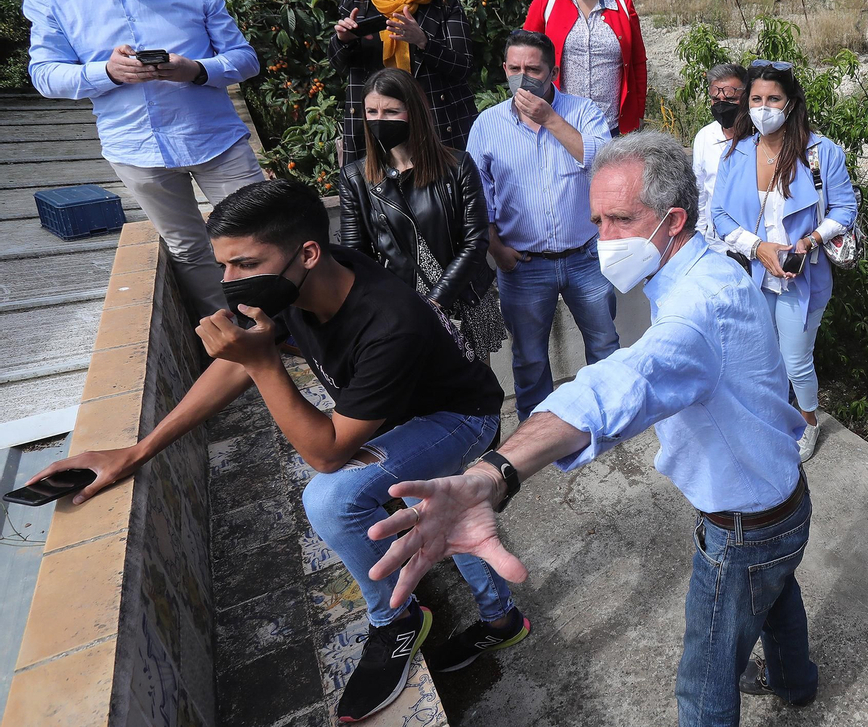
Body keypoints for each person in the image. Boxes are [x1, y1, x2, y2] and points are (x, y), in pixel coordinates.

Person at [26, 179, 529, 720]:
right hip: (397, 416)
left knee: (333, 499)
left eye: (245, 264)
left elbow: (326, 453)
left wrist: (263, 362)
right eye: (223, 265)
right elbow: (234, 365)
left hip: (457, 419)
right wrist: (136, 451)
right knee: (436, 516)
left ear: (307, 253)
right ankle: (502, 621)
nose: (229, 281)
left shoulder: (388, 322)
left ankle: (399, 619)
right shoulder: (303, 282)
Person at [364, 132, 819, 726]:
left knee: (703, 682)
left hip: (744, 528)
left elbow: (618, 384)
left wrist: (495, 472)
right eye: (597, 221)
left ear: (673, 220)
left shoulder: (695, 311)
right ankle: (794, 682)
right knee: (776, 594)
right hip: (781, 499)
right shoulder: (707, 269)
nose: (604, 239)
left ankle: (781, 684)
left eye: (621, 220)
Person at [23, 0, 265, 316]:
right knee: (188, 249)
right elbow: (44, 75)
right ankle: (228, 334)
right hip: (135, 148)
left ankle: (284, 325)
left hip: (215, 139)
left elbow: (245, 60)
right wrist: (107, 72)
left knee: (261, 234)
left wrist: (195, 69)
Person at [466, 30, 618, 418]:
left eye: (533, 69)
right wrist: (497, 249)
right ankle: (540, 431)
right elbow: (478, 198)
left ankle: (611, 419)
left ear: (552, 72)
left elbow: (604, 161)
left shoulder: (583, 112)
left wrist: (550, 119)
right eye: (514, 68)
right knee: (530, 359)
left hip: (586, 258)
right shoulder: (487, 125)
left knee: (604, 345)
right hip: (524, 266)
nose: (523, 77)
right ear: (504, 69)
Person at [710, 62, 857, 462]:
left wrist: (810, 240)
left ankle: (808, 423)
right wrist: (757, 247)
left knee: (795, 358)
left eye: (773, 99)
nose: (764, 108)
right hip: (758, 275)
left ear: (790, 103)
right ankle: (774, 417)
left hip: (802, 276)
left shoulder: (820, 153)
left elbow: (845, 208)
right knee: (763, 355)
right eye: (756, 99)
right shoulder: (737, 153)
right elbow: (719, 214)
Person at [338, 67, 504, 361]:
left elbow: (475, 241)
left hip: (463, 300)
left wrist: (435, 302)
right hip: (402, 311)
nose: (379, 120)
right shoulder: (356, 178)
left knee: (476, 384)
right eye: (372, 112)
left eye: (391, 111)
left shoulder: (457, 166)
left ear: (413, 111)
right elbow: (355, 257)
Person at [331, 0, 473, 161]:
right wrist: (344, 41)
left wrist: (423, 41)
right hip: (375, 128)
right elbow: (339, 66)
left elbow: (463, 66)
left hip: (434, 124)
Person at [521, 0, 647, 136]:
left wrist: (638, 112)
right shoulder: (547, 1)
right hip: (559, 123)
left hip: (610, 126)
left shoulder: (623, 6)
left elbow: (638, 63)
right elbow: (525, 57)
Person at [690, 63, 747, 259]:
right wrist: (698, 236)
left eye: (730, 99)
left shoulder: (760, 138)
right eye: (716, 99)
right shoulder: (705, 137)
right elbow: (700, 190)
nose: (722, 105)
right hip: (715, 244)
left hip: (754, 242)